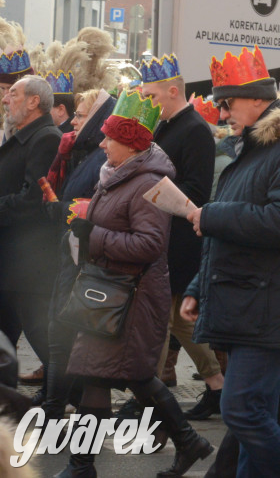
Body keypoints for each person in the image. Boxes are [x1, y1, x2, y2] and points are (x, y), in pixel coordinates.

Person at [182, 46, 280, 478]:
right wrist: (196, 287)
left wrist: (211, 216)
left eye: (227, 102)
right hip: (252, 300)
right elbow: (232, 231)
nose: (221, 111)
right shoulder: (258, 145)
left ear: (258, 100)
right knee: (253, 417)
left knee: (242, 410)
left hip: (271, 304)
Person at [60, 89, 213, 478]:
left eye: (110, 137)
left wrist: (93, 236)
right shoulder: (117, 174)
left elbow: (149, 245)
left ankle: (86, 465)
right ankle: (85, 464)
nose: (102, 141)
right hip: (112, 292)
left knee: (129, 377)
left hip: (133, 297)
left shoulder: (148, 183)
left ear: (130, 144)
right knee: (108, 375)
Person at [137, 54, 223, 422]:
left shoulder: (195, 129)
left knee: (164, 321)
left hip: (180, 241)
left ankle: (151, 404)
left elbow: (197, 190)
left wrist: (151, 191)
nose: (146, 103)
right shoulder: (166, 124)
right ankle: (218, 386)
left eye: (151, 96)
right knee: (180, 322)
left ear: (173, 91)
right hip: (164, 236)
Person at [40, 88, 115, 422]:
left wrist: (60, 207)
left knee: (63, 334)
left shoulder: (100, 157)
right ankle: (57, 405)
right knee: (62, 335)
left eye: (82, 115)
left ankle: (56, 409)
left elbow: (98, 209)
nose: (74, 120)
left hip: (86, 261)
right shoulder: (86, 151)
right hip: (74, 256)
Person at [0, 76, 61, 380]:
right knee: (6, 338)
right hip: (14, 256)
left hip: (29, 260)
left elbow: (32, 199)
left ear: (33, 101)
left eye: (12, 93)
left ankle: (83, 401)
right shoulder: (26, 135)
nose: (5, 100)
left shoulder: (46, 137)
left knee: (39, 335)